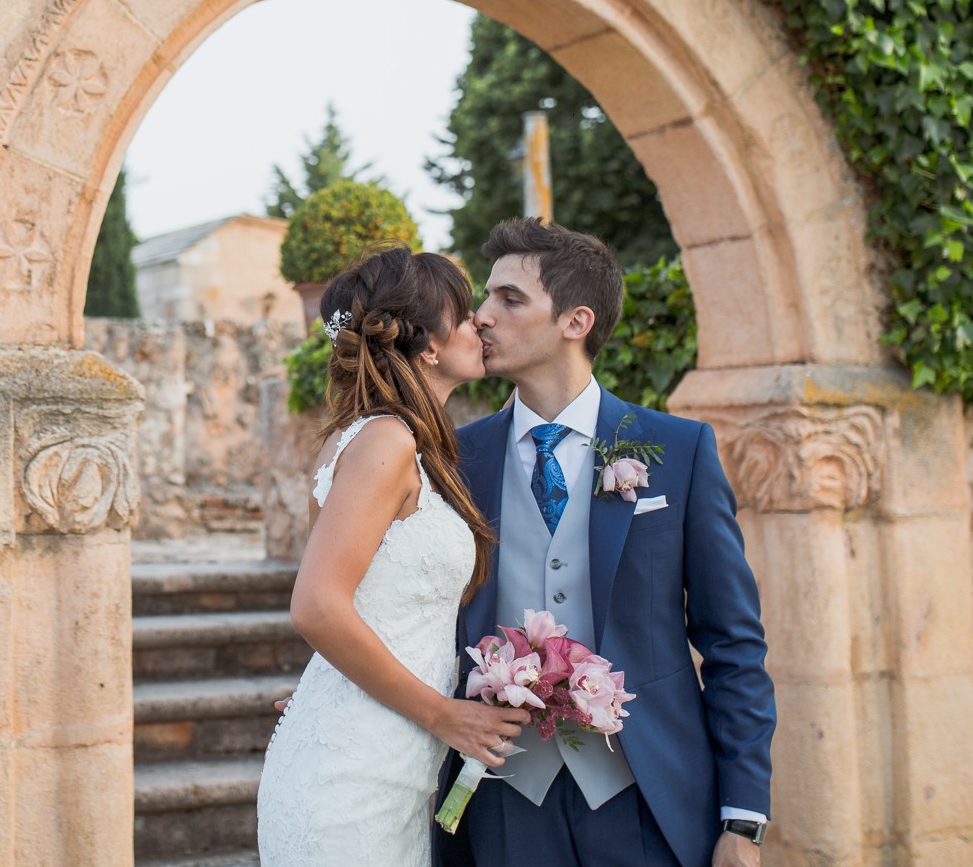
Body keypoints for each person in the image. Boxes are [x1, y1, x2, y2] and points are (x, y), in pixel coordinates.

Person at [439, 218, 774, 867]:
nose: (480, 316)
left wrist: (744, 815)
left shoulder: (679, 451)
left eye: (509, 299)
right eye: (485, 297)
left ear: (576, 320)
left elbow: (733, 641)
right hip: (504, 794)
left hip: (646, 794)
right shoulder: (454, 458)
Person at [257, 245, 531, 866]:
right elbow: (317, 607)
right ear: (429, 345)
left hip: (381, 753)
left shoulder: (374, 440)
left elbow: (362, 598)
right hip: (354, 778)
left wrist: (329, 685)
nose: (479, 324)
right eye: (464, 315)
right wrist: (445, 715)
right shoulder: (386, 440)